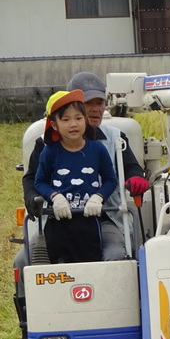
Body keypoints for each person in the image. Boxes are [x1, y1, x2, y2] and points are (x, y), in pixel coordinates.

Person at [4, 72, 151, 339]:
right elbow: (32, 180)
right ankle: (29, 331)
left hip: (105, 218)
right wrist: (38, 200)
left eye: (99, 103)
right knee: (24, 262)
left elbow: (132, 170)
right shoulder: (45, 145)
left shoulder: (114, 138)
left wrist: (136, 180)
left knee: (116, 257)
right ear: (61, 117)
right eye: (87, 103)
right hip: (57, 220)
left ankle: (121, 327)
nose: (94, 110)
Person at [33, 89, 118, 263]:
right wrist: (55, 197)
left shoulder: (98, 149)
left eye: (78, 118)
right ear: (54, 125)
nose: (73, 124)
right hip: (57, 220)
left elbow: (111, 179)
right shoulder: (49, 151)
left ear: (85, 120)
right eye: (66, 119)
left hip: (89, 221)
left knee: (90, 264)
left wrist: (98, 197)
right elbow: (39, 181)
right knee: (58, 268)